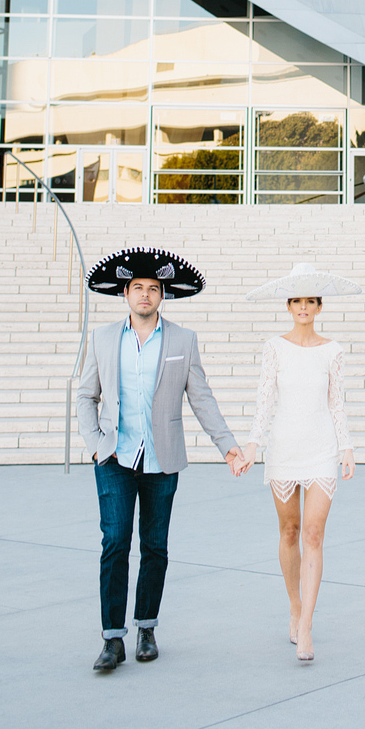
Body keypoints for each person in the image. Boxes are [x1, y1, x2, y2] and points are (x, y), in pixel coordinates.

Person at [75, 246, 249, 673]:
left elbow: (201, 397)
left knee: (155, 547)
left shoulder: (182, 340)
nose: (145, 296)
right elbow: (85, 395)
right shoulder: (101, 338)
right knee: (115, 543)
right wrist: (97, 444)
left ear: (162, 296)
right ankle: (112, 639)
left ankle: (146, 628)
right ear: (126, 294)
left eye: (153, 289)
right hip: (115, 458)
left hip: (162, 459)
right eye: (138, 288)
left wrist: (227, 445)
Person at [236, 262, 361, 662]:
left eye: (310, 301)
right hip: (284, 447)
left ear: (319, 307)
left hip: (321, 447)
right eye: (297, 301)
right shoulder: (275, 348)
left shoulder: (333, 351)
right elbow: (264, 398)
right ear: (288, 306)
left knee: (313, 535)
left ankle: (306, 624)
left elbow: (336, 401)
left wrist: (347, 445)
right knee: (289, 531)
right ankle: (294, 605)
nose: (303, 307)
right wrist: (254, 443)